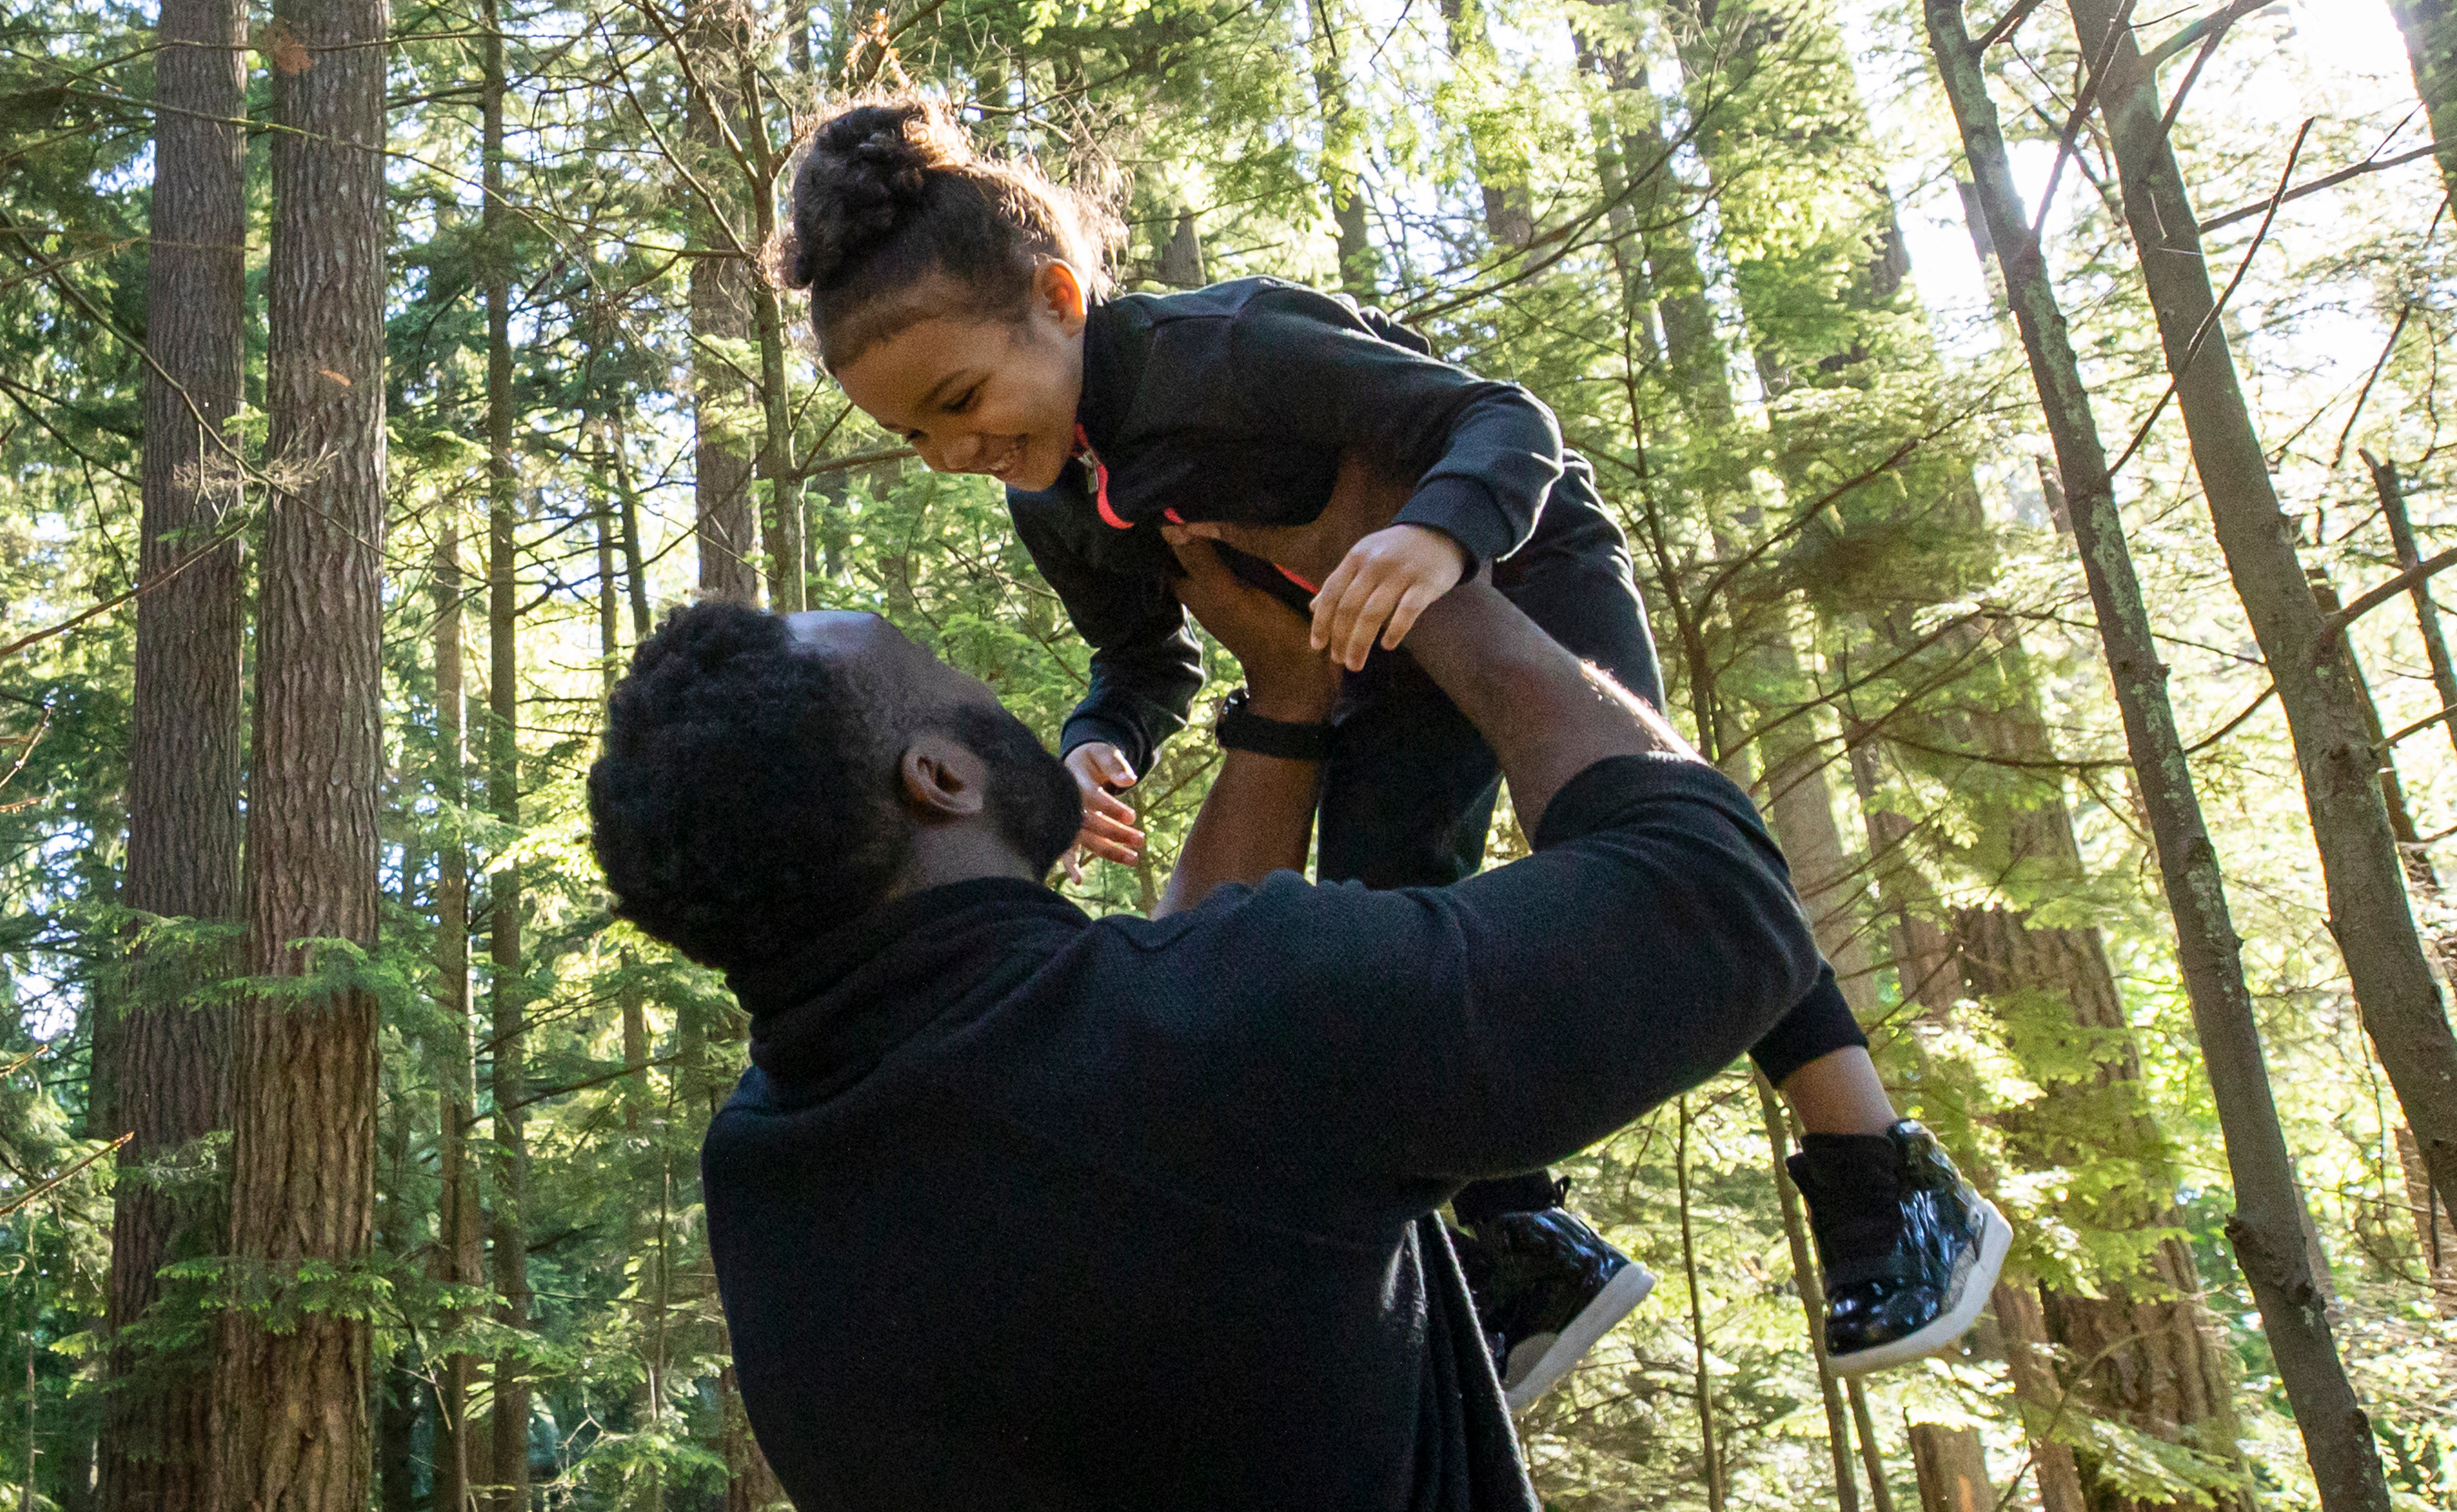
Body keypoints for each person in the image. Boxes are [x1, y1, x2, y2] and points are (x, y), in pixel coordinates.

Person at [759, 94, 2009, 1398]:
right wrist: (1094, 745)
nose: (955, 450)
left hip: (1524, 562)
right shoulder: (1054, 497)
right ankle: (1524, 1235)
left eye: (960, 398)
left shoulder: (1225, 345)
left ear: (1060, 299)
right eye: (912, 435)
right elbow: (1145, 658)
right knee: (1377, 901)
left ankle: (1880, 1172)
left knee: (1654, 837)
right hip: (1367, 659)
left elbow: (1502, 419)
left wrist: (1438, 534)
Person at [589, 509, 1810, 1506]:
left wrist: (1285, 699)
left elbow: (1146, 1091)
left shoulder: (768, 1179)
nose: (998, 698)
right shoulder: (1237, 1033)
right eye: (952, 682)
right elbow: (1719, 901)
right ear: (941, 777)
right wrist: (1420, 566)